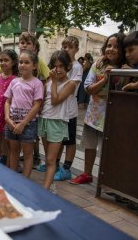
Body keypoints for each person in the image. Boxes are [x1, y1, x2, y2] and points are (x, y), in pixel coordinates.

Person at [70, 33, 126, 184]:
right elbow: (88, 88)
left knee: (108, 149)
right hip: (94, 114)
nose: (111, 49)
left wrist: (120, 72)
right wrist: (105, 79)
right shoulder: (98, 65)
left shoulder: (126, 68)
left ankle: (107, 178)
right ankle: (87, 174)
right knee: (89, 144)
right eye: (109, 45)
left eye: (116, 46)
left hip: (113, 116)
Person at [45, 36, 82, 181]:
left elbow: (71, 87)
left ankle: (66, 168)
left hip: (69, 111)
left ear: (77, 50)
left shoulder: (76, 67)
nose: (66, 49)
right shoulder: (58, 65)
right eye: (64, 46)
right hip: (56, 112)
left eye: (70, 47)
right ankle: (55, 164)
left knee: (70, 140)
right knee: (58, 139)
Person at [38, 50, 76, 190]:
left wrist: (53, 81)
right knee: (47, 157)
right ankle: (50, 185)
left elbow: (55, 100)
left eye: (61, 66)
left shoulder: (70, 84)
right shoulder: (49, 80)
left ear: (68, 66)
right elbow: (43, 99)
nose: (58, 69)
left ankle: (45, 189)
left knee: (50, 159)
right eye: (55, 66)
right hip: (45, 120)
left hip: (58, 122)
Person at [4, 50, 43, 176]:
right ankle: (14, 178)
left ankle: (25, 181)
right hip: (12, 123)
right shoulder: (14, 82)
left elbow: (37, 105)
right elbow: (7, 101)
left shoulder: (37, 83)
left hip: (28, 125)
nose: (23, 65)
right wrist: (7, 118)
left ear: (34, 65)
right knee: (14, 151)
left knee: (27, 153)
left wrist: (23, 123)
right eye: (21, 62)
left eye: (27, 62)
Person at [18, 32, 50, 168]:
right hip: (17, 102)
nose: (24, 45)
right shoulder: (17, 59)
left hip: (32, 104)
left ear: (35, 47)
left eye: (28, 43)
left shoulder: (39, 62)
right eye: (22, 42)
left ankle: (34, 156)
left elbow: (49, 77)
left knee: (31, 132)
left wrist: (40, 91)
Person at [0, 49, 18, 165]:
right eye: (1, 60)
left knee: (8, 143)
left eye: (6, 60)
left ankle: (7, 166)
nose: (3, 63)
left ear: (13, 62)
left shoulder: (15, 80)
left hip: (8, 115)